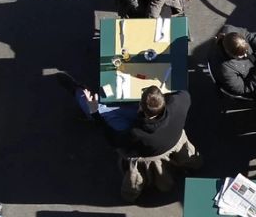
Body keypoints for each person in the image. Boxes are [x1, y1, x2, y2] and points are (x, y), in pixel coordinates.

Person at [56, 76, 202, 202]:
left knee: (103, 110)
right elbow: (181, 92)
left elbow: (112, 139)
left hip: (147, 148)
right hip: (172, 138)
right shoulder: (180, 102)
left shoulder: (135, 133)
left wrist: (95, 112)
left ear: (141, 107)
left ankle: (78, 92)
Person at [209, 24, 256, 102]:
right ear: (229, 53)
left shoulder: (229, 29)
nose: (246, 54)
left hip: (255, 63)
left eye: (246, 50)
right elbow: (242, 89)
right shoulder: (224, 69)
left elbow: (248, 35)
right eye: (241, 55)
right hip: (251, 80)